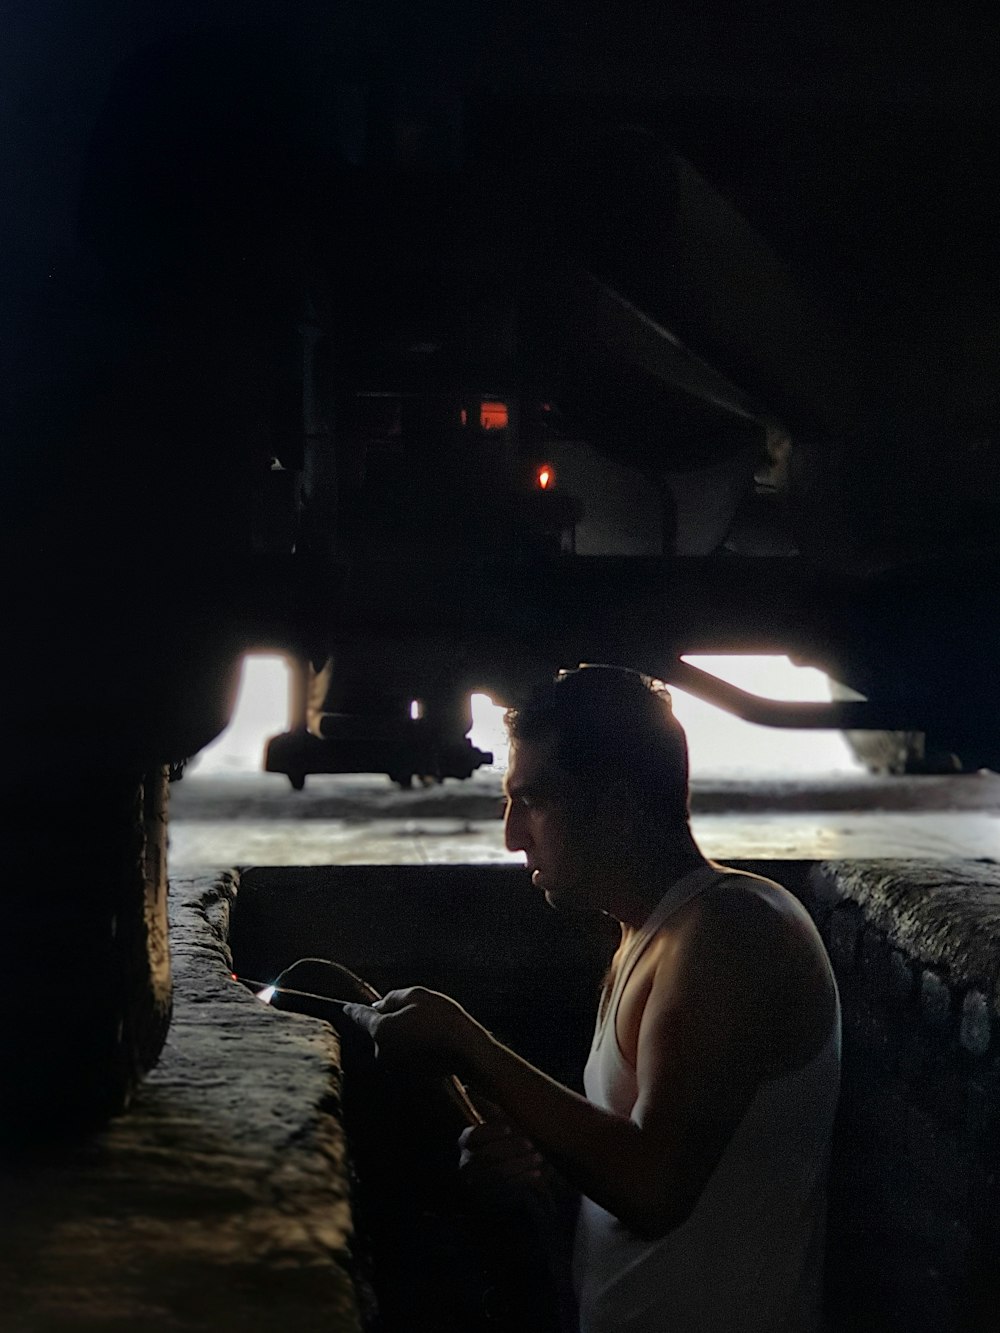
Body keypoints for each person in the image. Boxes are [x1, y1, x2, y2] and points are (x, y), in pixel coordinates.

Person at [343, 665, 841, 1332]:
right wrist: (543, 1164)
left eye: (536, 799)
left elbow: (654, 1187)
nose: (513, 836)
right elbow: (636, 1170)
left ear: (617, 805)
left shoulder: (731, 932)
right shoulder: (646, 932)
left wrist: (473, 1047)